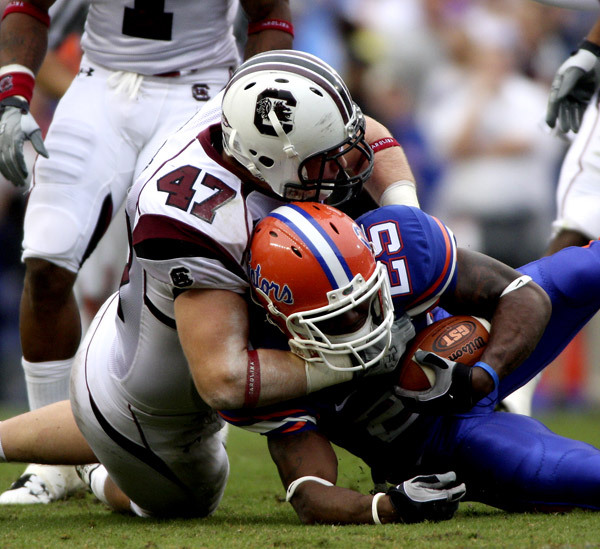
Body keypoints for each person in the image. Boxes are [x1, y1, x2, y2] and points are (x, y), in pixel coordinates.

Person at [0, 49, 418, 517]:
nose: (343, 171)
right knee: (181, 499)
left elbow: (369, 136)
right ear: (270, 159)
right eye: (323, 163)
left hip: (133, 346)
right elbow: (223, 380)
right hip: (156, 411)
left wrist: (406, 216)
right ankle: (96, 474)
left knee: (101, 416)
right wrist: (353, 361)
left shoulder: (248, 116)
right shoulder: (198, 221)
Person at [0, 0, 296, 504]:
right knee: (46, 264)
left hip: (202, 89)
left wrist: (248, 104)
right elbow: (26, 6)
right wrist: (13, 94)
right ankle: (55, 465)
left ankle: (189, 426)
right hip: (100, 85)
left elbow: (270, 15)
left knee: (186, 265)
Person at [218, 201, 600, 524]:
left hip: (475, 349)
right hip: (439, 440)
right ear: (279, 319)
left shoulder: (395, 243)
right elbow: (310, 489)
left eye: (367, 301)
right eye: (334, 319)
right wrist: (390, 505)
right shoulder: (262, 362)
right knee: (585, 475)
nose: (360, 324)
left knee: (584, 270)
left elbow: (521, 294)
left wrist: (485, 373)